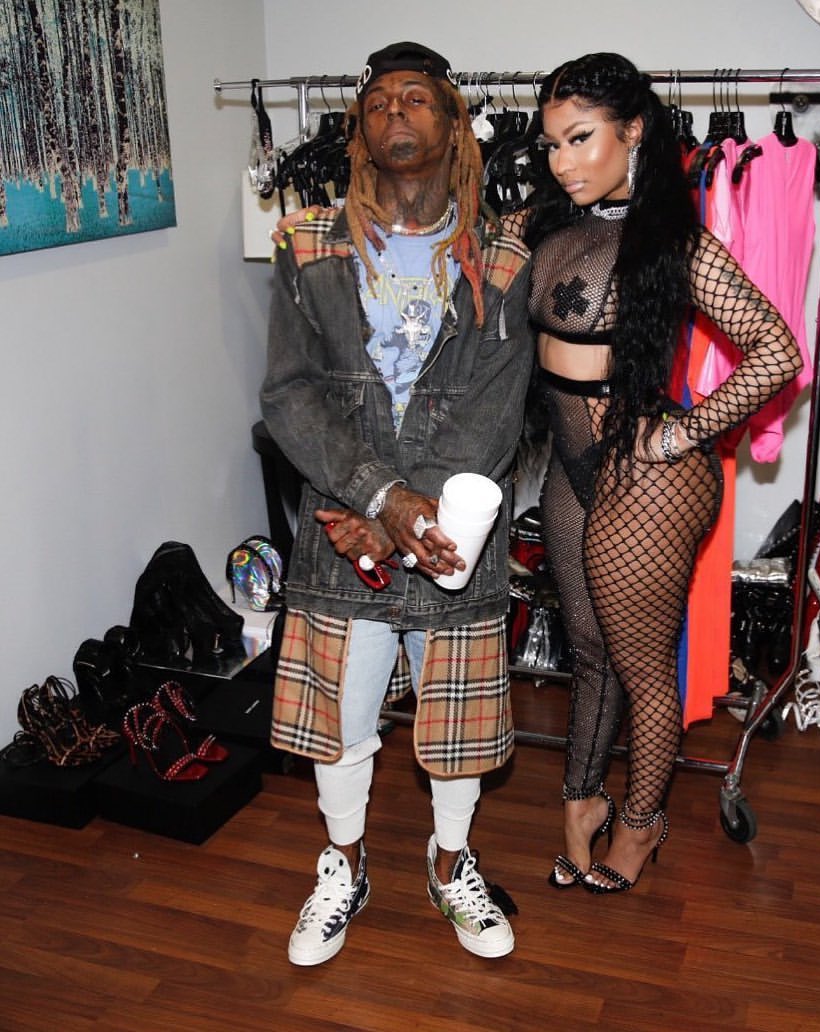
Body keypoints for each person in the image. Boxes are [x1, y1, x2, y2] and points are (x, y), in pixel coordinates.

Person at [260, 41, 534, 964]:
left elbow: (499, 407)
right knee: (340, 717)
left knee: (455, 722)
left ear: (454, 125)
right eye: (377, 103)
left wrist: (417, 519)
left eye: (416, 98)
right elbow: (289, 393)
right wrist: (379, 497)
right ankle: (343, 864)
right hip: (346, 522)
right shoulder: (306, 242)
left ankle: (451, 864)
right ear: (357, 132)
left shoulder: (505, 253)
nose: (395, 114)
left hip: (455, 529)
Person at [521, 53, 803, 893]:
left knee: (642, 668)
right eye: (552, 145)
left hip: (647, 481)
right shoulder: (553, 226)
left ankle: (642, 825)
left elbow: (777, 350)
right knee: (588, 651)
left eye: (580, 138)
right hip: (572, 464)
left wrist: (684, 431)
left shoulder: (676, 241)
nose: (563, 161)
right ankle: (581, 805)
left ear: (634, 130)